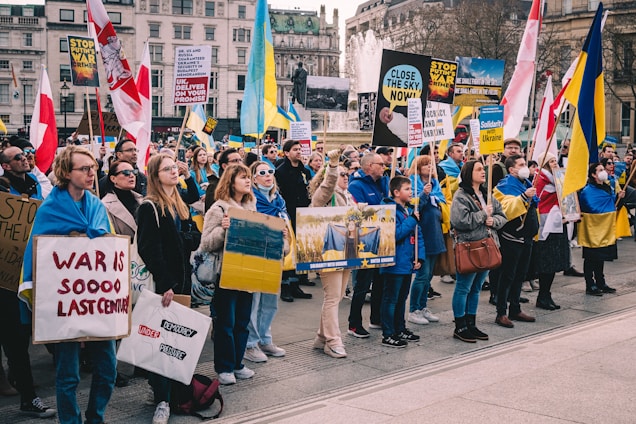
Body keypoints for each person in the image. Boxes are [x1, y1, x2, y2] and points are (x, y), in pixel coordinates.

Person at [21, 146, 114, 423]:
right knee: (68, 374)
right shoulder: (51, 208)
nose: (90, 173)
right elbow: (40, 255)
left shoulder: (96, 205)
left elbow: (107, 247)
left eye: (93, 168)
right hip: (64, 304)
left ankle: (95, 417)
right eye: (84, 168)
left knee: (107, 369)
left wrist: (83, 240)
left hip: (96, 300)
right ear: (65, 172)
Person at [137, 153, 200, 424]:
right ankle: (161, 399)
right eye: (167, 169)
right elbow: (149, 249)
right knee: (159, 344)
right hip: (164, 285)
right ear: (155, 175)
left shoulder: (179, 203)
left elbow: (194, 238)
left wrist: (187, 237)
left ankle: (172, 393)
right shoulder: (150, 206)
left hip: (183, 281)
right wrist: (165, 284)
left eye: (175, 167)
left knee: (176, 341)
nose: (174, 172)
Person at [0, 146, 55, 418]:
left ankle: (23, 386)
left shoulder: (35, 186)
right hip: (5, 279)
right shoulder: (1, 190)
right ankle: (28, 397)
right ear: (7, 166)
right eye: (18, 158)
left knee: (25, 335)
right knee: (15, 340)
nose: (25, 159)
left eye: (25, 156)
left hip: (31, 273)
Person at [201, 164, 257, 385]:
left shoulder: (251, 207)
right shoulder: (218, 208)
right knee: (226, 321)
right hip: (226, 273)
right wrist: (223, 229)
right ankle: (224, 367)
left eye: (248, 177)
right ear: (230, 181)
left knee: (242, 321)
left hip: (249, 272)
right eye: (243, 177)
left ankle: (237, 363)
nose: (248, 181)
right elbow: (205, 243)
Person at [450, 160, 506, 342]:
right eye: (479, 169)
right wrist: (483, 215)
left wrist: (493, 221)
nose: (483, 172)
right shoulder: (461, 196)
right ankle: (460, 325)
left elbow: (501, 215)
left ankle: (471, 323)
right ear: (469, 173)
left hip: (487, 246)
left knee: (476, 288)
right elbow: (460, 221)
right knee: (463, 287)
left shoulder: (486, 193)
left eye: (483, 169)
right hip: (469, 247)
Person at [309, 150, 354, 358]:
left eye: (347, 174)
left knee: (335, 296)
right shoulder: (324, 195)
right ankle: (333, 340)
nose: (346, 177)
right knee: (333, 297)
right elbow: (328, 184)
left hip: (346, 249)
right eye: (342, 175)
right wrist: (333, 166)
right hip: (328, 252)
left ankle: (321, 337)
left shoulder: (348, 195)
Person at [243, 161, 289, 363]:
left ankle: (265, 338)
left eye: (270, 171)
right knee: (254, 301)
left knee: (270, 300)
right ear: (254, 178)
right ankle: (250, 343)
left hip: (274, 252)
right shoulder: (250, 199)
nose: (268, 175)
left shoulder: (278, 199)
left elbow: (284, 221)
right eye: (262, 173)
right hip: (256, 254)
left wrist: (285, 230)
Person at [493, 155, 539, 328]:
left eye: (525, 164)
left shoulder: (526, 184)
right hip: (511, 238)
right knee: (507, 276)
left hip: (526, 237)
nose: (525, 167)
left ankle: (515, 308)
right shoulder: (503, 187)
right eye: (521, 165)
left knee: (520, 275)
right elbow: (506, 208)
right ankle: (501, 313)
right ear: (511, 169)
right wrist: (523, 198)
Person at [379, 176, 425, 348]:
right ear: (396, 192)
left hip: (407, 261)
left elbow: (417, 235)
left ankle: (400, 328)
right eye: (407, 189)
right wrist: (412, 219)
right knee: (391, 299)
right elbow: (395, 234)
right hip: (394, 262)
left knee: (401, 298)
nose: (411, 192)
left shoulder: (408, 210)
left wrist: (419, 256)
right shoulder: (389, 210)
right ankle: (388, 333)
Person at [347, 153, 389, 337]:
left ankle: (376, 317)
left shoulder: (383, 182)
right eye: (380, 164)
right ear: (369, 166)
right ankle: (354, 323)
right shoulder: (356, 186)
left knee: (380, 281)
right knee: (363, 285)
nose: (384, 167)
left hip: (382, 238)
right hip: (365, 240)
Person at [407, 156, 445, 325]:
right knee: (422, 275)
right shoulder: (412, 183)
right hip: (421, 232)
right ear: (418, 166)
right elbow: (413, 206)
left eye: (431, 164)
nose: (430, 167)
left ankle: (422, 307)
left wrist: (434, 198)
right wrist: (424, 194)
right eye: (426, 164)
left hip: (435, 232)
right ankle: (413, 309)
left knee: (429, 276)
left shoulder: (436, 185)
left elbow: (442, 203)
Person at [578, 162, 624, 296]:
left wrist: (618, 197)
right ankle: (590, 284)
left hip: (605, 228)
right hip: (592, 229)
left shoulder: (608, 187)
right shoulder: (587, 191)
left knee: (600, 257)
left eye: (603, 169)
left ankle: (600, 282)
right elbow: (591, 207)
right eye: (600, 170)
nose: (604, 171)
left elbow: (613, 205)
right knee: (591, 257)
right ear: (593, 174)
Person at [275, 140, 313, 299]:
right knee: (288, 251)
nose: (299, 152)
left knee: (299, 250)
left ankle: (296, 284)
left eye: (300, 149)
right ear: (286, 153)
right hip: (287, 214)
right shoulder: (280, 171)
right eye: (295, 149)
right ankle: (285, 287)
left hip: (303, 215)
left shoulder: (305, 171)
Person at [532, 152, 569, 310]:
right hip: (545, 224)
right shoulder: (540, 179)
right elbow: (536, 201)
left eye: (555, 160)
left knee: (554, 262)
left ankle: (546, 294)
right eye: (551, 161)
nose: (555, 163)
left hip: (557, 222)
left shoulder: (558, 178)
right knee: (546, 262)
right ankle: (543, 295)